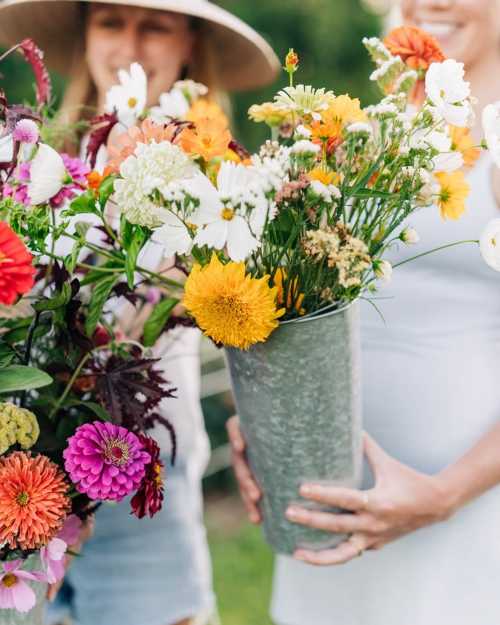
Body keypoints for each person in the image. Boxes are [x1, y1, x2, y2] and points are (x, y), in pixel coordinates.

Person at [0, 2, 279, 625]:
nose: (130, 43)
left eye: (153, 25)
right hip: (27, 490)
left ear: (188, 45)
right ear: (85, 38)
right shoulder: (33, 164)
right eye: (110, 21)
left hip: (142, 481)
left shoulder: (215, 183)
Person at [228, 1, 500, 623]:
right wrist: (264, 420)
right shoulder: (358, 137)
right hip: (326, 498)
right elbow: (306, 303)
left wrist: (443, 497)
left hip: (464, 515)